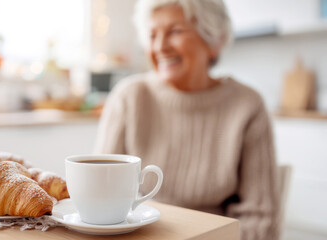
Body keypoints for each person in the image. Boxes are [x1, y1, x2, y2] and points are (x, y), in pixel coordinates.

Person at [93, 0, 279, 239]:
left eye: (175, 31)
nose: (160, 47)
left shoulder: (247, 106)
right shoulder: (129, 97)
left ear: (214, 40)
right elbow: (99, 198)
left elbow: (259, 220)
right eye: (152, 35)